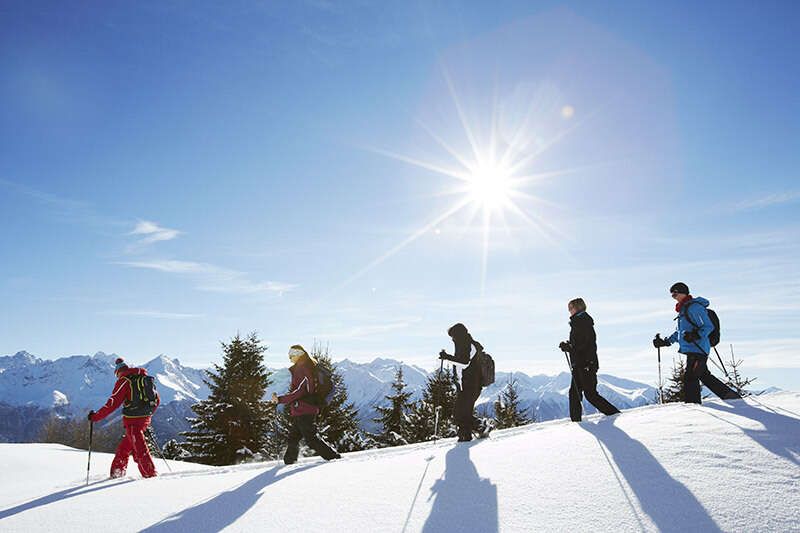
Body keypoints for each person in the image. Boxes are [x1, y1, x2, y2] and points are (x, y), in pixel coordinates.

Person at [653, 282, 739, 403]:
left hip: (699, 348)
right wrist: (665, 342)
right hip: (692, 349)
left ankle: (693, 405)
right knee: (703, 375)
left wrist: (695, 334)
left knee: (691, 377)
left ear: (683, 292)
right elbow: (680, 333)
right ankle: (731, 397)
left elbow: (708, 327)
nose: (674, 297)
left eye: (675, 293)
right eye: (672, 295)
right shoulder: (683, 310)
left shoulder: (694, 307)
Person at [88, 357, 159, 478]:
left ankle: (150, 475)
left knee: (140, 449)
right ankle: (117, 473)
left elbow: (113, 403)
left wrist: (96, 417)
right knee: (125, 447)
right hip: (145, 418)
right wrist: (148, 415)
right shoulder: (144, 379)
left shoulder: (124, 381)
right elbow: (157, 400)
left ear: (118, 372)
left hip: (133, 420)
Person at [271, 345, 340, 464]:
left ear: (298, 354)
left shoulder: (302, 368)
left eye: (291, 355)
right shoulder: (304, 367)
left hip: (305, 409)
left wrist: (280, 399)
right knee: (293, 438)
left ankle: (333, 457)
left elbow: (299, 392)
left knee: (311, 438)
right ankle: (289, 461)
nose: (290, 358)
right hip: (302, 409)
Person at [559, 298, 620, 422]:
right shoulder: (578, 322)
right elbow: (579, 343)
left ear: (578, 307)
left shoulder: (583, 322)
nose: (569, 310)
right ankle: (575, 421)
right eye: (569, 308)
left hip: (586, 363)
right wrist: (569, 346)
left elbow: (586, 344)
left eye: (571, 308)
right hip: (579, 363)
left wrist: (570, 348)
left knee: (590, 394)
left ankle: (614, 414)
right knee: (574, 393)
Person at [439, 323, 493, 442]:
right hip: (469, 385)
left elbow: (464, 363)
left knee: (460, 414)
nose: (452, 339)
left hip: (470, 385)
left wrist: (447, 357)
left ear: (458, 334)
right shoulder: (467, 344)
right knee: (462, 413)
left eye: (453, 336)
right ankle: (478, 429)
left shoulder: (466, 344)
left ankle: (466, 437)